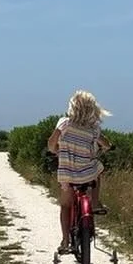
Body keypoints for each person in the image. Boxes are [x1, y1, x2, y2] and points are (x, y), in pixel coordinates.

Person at [47, 90, 110, 254]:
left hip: (68, 174)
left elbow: (51, 142)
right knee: (98, 169)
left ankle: (66, 241)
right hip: (87, 173)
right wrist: (106, 147)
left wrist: (55, 149)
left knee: (65, 206)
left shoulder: (65, 123)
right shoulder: (93, 129)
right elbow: (106, 143)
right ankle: (95, 202)